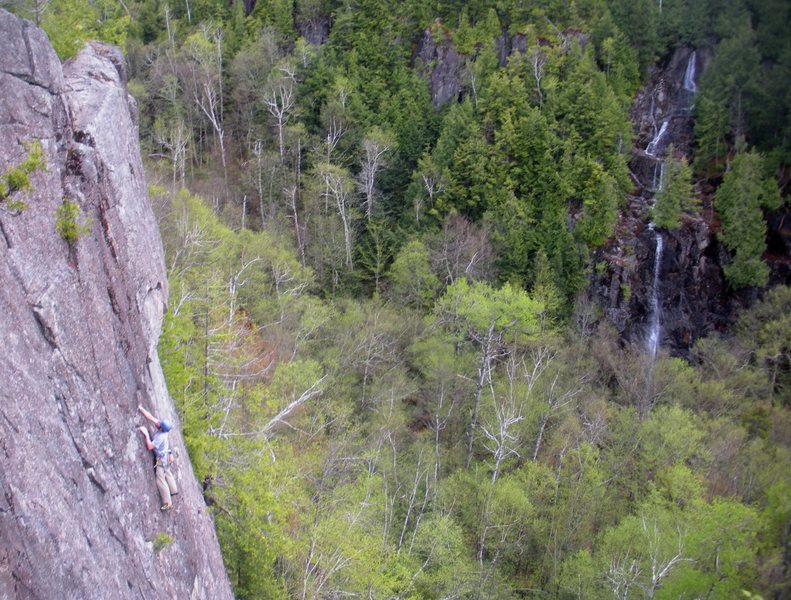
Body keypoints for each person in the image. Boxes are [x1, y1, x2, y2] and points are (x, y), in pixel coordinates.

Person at [137, 404, 178, 511]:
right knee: (167, 472)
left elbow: (150, 446)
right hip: (166, 455)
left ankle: (168, 503)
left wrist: (146, 434)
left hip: (162, 459)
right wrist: (141, 409)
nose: (157, 423)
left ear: (161, 428)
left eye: (159, 424)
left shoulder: (161, 437)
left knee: (160, 479)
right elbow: (150, 417)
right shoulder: (163, 428)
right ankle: (174, 490)